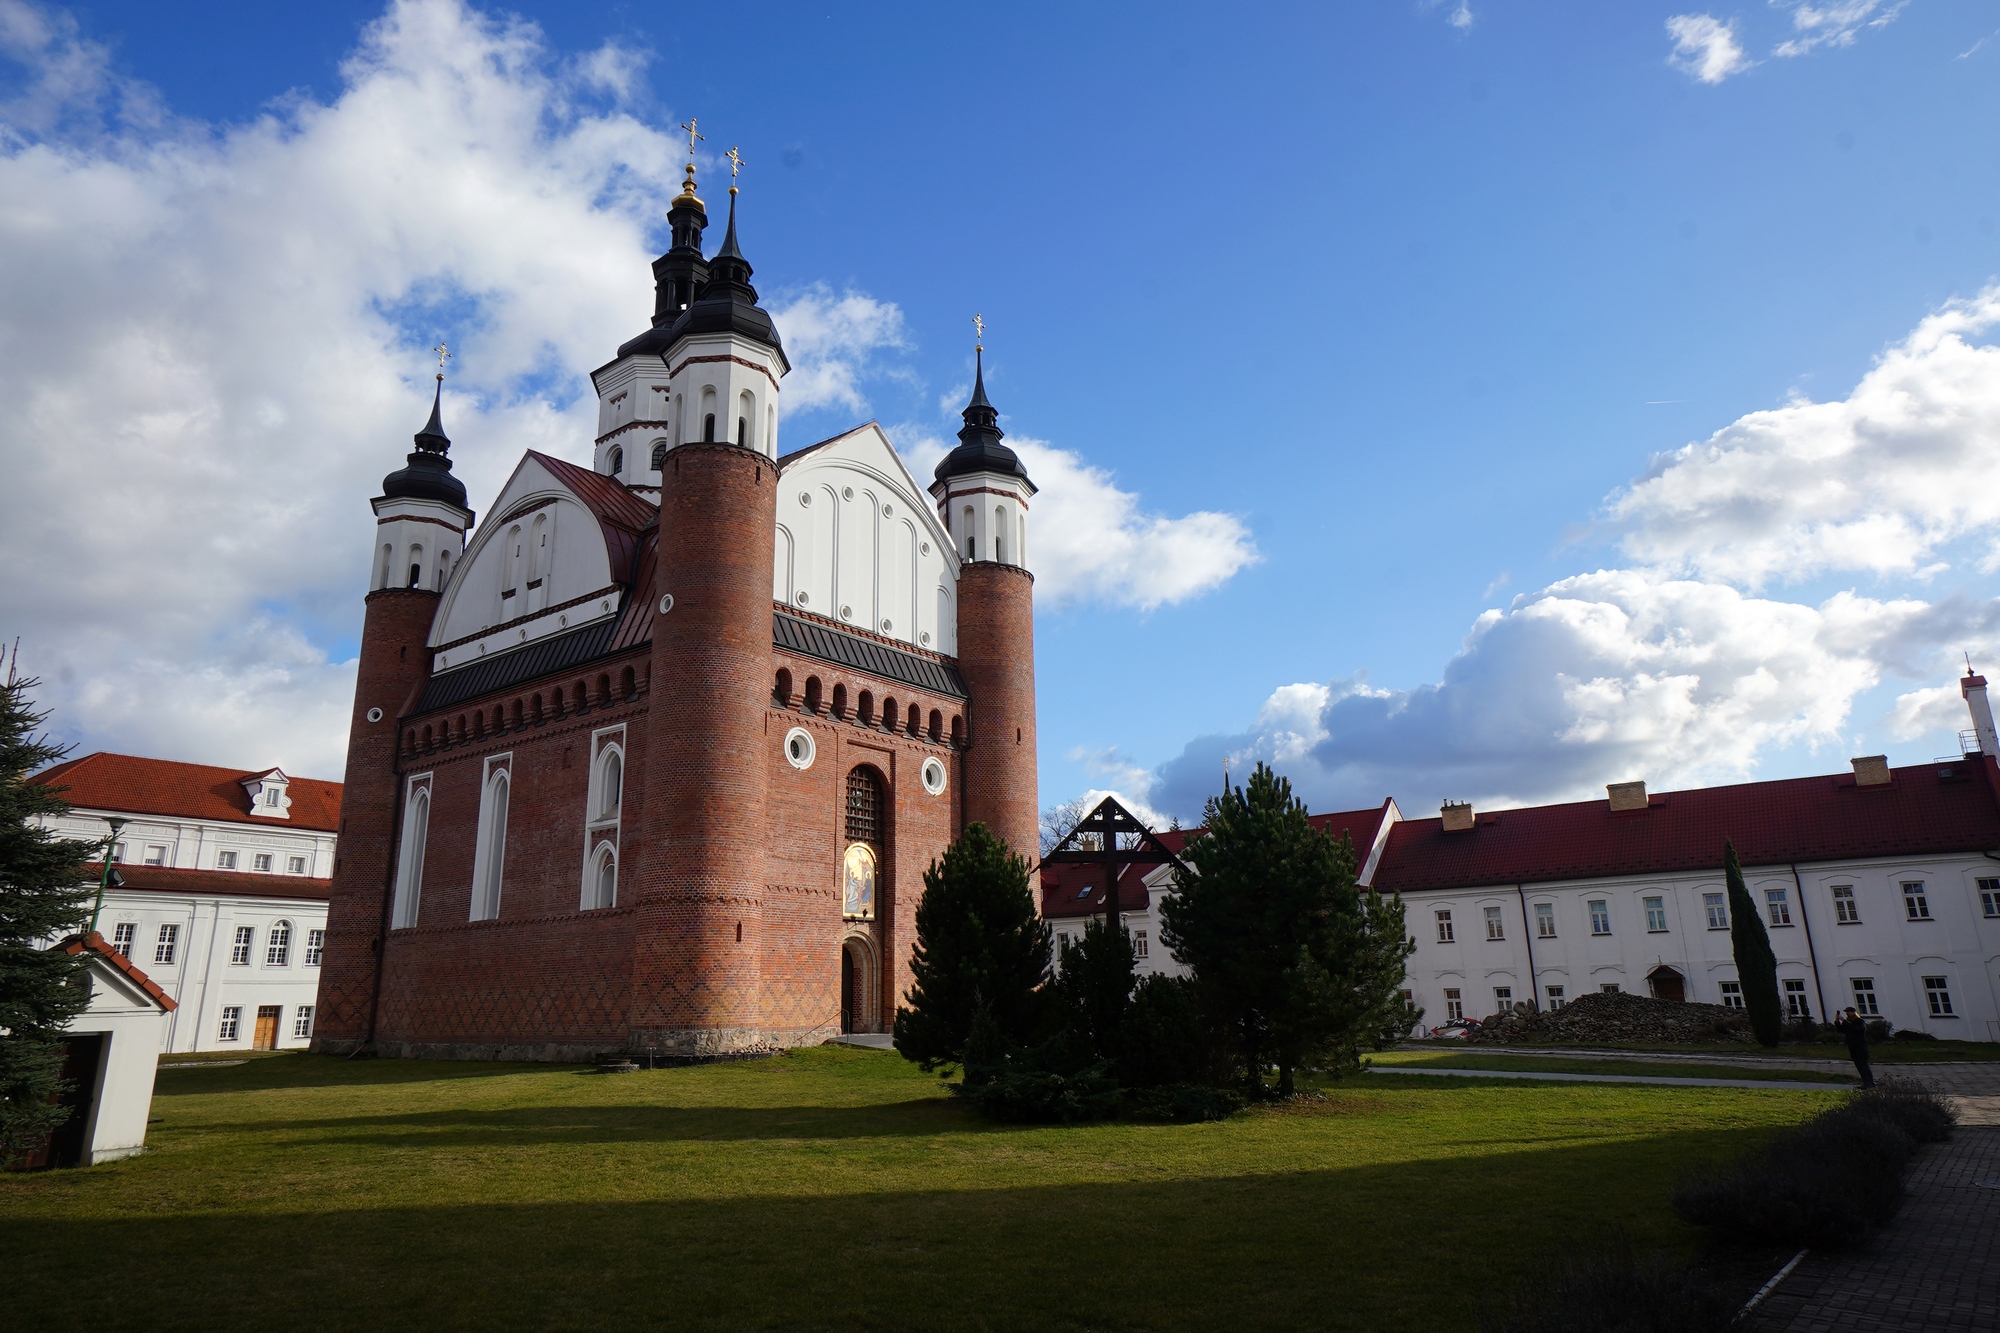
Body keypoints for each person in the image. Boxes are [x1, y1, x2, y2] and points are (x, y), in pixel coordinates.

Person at [1835, 1006, 1875, 1089]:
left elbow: (1855, 1029)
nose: (1847, 1014)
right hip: (1853, 1047)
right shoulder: (1848, 1022)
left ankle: (1870, 1082)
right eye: (1847, 1012)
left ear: (1854, 1012)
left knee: (1864, 1065)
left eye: (1849, 1012)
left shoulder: (1859, 1021)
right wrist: (1837, 1022)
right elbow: (1841, 1030)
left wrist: (1844, 1021)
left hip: (1860, 1047)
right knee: (1859, 1066)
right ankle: (1865, 1082)